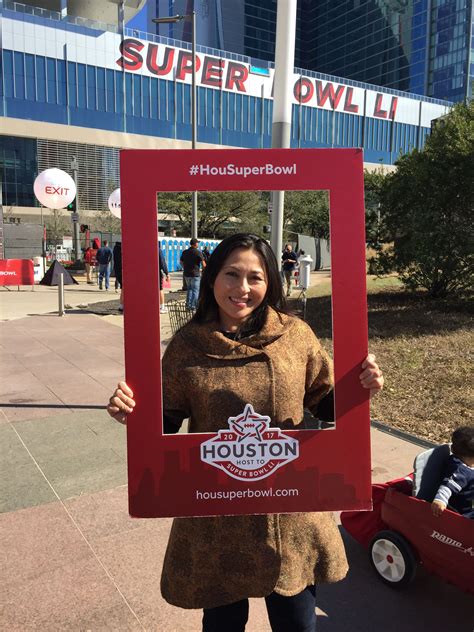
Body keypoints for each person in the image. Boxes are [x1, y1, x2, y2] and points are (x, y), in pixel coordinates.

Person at [107, 233, 384, 632]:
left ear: (270, 282)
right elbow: (165, 422)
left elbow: (324, 402)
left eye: (255, 277)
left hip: (289, 508)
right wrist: (133, 413)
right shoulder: (187, 345)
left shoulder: (295, 335)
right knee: (222, 624)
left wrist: (360, 389)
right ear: (212, 278)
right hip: (217, 512)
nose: (242, 288)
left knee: (297, 623)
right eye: (231, 274)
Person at [431, 425, 474, 519]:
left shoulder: (464, 462)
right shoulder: (460, 471)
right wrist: (440, 500)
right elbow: (447, 486)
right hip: (462, 512)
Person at [180, 237, 206, 309]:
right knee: (195, 290)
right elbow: (204, 264)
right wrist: (202, 270)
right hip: (195, 274)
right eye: (197, 243)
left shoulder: (185, 252)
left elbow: (181, 262)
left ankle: (188, 305)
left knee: (189, 290)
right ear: (195, 244)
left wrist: (185, 267)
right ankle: (193, 306)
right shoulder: (198, 252)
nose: (198, 244)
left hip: (187, 274)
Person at [159, 244, 170, 314]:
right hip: (156, 273)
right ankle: (162, 307)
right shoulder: (158, 250)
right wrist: (167, 273)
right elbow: (162, 263)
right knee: (160, 289)